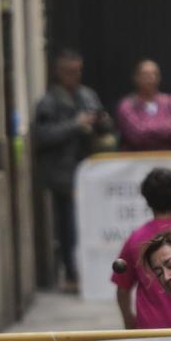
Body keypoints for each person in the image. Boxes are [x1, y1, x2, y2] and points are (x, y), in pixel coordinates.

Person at [33, 47, 109, 293]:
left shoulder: (88, 96)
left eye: (77, 72)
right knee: (68, 225)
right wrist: (75, 125)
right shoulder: (49, 101)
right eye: (69, 72)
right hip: (63, 174)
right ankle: (71, 272)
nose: (74, 77)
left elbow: (106, 125)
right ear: (58, 73)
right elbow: (43, 135)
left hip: (90, 170)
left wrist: (100, 121)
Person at [112, 168, 171, 329]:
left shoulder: (135, 239)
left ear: (147, 200)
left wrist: (129, 322)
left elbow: (122, 289)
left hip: (150, 335)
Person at [115, 58, 171, 153]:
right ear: (136, 77)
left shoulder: (170, 101)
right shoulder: (126, 105)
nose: (151, 77)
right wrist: (166, 130)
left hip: (170, 157)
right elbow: (137, 134)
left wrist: (149, 130)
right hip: (137, 159)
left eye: (155, 74)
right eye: (146, 74)